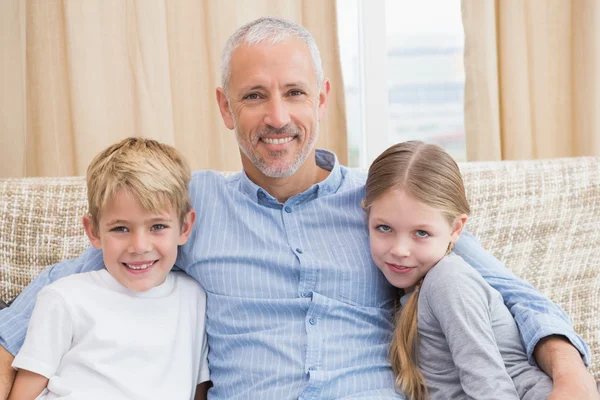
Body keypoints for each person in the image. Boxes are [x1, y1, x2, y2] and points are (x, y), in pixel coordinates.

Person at [0, 16, 597, 400]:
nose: (278, 117)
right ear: (225, 107)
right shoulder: (188, 207)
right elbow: (45, 298)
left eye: (294, 93)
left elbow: (516, 295)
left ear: (323, 98)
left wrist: (570, 375)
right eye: (254, 96)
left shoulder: (386, 206)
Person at [6, 138, 209, 400]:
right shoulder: (63, 297)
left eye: (157, 226)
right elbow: (24, 393)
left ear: (184, 227)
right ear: (93, 231)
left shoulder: (195, 299)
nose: (139, 246)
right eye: (120, 229)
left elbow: (198, 392)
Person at [363, 141, 554, 400]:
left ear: (456, 229)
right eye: (384, 228)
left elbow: (491, 388)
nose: (400, 250)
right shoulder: (412, 286)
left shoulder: (448, 282)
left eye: (421, 233)